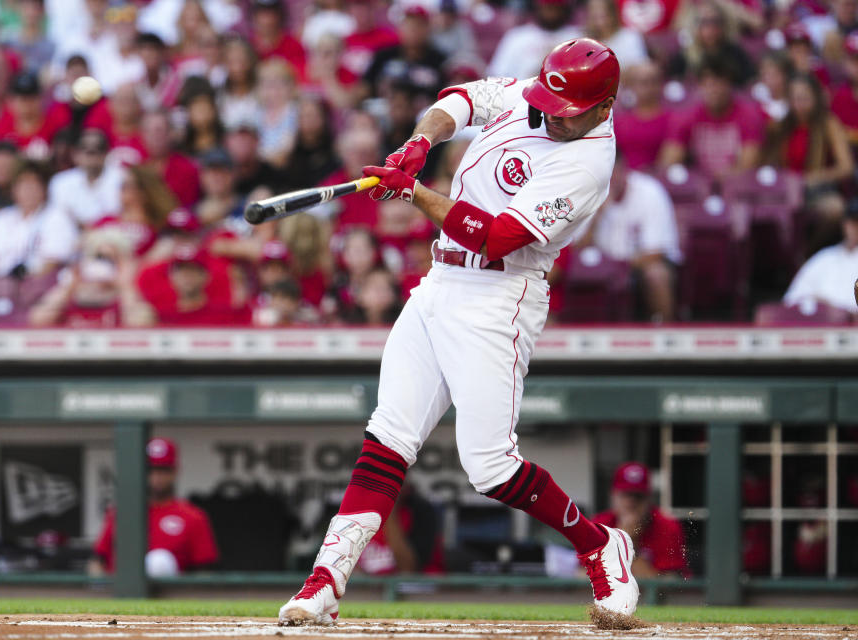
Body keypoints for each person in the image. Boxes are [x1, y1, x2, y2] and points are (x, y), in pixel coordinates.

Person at [278, 38, 638, 626]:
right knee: (388, 435)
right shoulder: (538, 96)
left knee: (490, 466)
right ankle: (324, 582)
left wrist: (412, 193)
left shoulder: (588, 162)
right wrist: (418, 145)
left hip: (501, 293)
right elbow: (460, 100)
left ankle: (599, 543)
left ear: (604, 106)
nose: (550, 114)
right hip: (439, 283)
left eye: (566, 110)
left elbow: (497, 236)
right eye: (548, 100)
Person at [91, 437, 219, 575]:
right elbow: (97, 561)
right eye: (150, 470)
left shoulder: (193, 517)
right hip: (123, 593)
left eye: (163, 470)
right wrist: (100, 587)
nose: (156, 477)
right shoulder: (121, 513)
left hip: (173, 593)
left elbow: (205, 571)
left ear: (175, 472)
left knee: (158, 562)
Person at [578, 152, 680, 322]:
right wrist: (597, 215)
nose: (609, 180)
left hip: (638, 266)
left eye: (613, 173)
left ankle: (666, 332)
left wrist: (619, 266)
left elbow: (655, 252)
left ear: (623, 169)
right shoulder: (590, 193)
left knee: (656, 274)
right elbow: (578, 249)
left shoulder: (649, 191)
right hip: (601, 267)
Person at [763, 73, 854, 224]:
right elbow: (768, 162)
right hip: (784, 189)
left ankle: (809, 248)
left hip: (816, 190)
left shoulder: (829, 124)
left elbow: (846, 167)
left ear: (816, 99)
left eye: (804, 98)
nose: (798, 104)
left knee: (835, 208)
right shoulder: (781, 127)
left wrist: (813, 178)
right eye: (794, 99)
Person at [659, 55, 765, 179]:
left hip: (736, 188)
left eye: (720, 83)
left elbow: (748, 167)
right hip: (697, 188)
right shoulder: (686, 117)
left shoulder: (748, 116)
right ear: (700, 86)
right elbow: (669, 163)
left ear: (730, 85)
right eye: (709, 84)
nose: (714, 90)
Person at [28, 226, 155, 328]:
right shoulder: (72, 294)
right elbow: (38, 319)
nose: (103, 264)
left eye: (110, 259)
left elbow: (140, 325)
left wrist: (124, 286)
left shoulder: (127, 296)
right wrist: (69, 287)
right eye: (98, 257)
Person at [0, 161, 78, 278]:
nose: (28, 190)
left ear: (44, 189)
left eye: (34, 185)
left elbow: (53, 261)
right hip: (1, 282)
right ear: (13, 189)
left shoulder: (57, 217)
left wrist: (26, 281)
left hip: (42, 283)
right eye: (23, 185)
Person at [592, 462, 688, 577]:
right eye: (625, 495)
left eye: (638, 496)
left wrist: (629, 545)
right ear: (613, 495)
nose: (630, 502)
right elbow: (583, 575)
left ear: (649, 498)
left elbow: (665, 587)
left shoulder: (667, 527)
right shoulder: (600, 524)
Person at [782, 203, 858, 314]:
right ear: (845, 224)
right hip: (815, 326)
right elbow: (790, 300)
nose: (856, 228)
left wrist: (834, 307)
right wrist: (819, 303)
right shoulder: (824, 257)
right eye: (853, 222)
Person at [48, 129, 125, 227]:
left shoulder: (122, 178)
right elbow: (59, 220)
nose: (91, 152)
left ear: (107, 153)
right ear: (75, 154)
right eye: (84, 148)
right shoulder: (60, 182)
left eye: (99, 148)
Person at [487, 0, 582, 80]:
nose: (551, 13)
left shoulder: (578, 37)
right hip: (521, 96)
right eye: (547, 8)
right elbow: (496, 75)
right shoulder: (517, 36)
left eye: (555, 8)